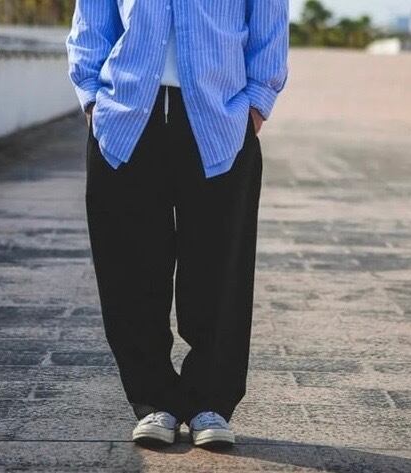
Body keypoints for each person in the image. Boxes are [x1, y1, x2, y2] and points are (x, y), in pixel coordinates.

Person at [66, 0, 288, 448]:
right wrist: (91, 99)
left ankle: (211, 403)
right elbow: (91, 20)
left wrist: (256, 105)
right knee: (130, 270)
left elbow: (269, 22)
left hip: (219, 116)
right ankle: (153, 400)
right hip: (125, 116)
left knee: (218, 267)